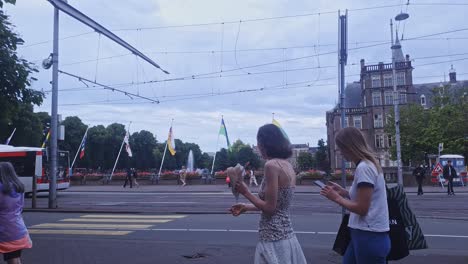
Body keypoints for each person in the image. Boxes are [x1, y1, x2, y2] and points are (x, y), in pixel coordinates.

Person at [230, 124, 307, 264]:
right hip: (288, 236)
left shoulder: (271, 166)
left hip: (272, 236)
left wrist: (246, 192)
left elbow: (270, 208)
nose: (258, 147)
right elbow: (276, 205)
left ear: (264, 144)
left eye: (258, 142)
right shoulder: (287, 165)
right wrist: (246, 207)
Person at [320, 127, 390, 264]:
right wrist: (344, 192)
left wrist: (336, 198)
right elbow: (366, 198)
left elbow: (362, 208)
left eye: (341, 148)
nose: (340, 152)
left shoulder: (364, 168)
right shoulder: (369, 165)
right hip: (364, 234)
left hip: (369, 235)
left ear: (349, 147)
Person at [0, 162, 32, 264]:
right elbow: (20, 207)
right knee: (15, 259)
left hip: (4, 231)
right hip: (17, 229)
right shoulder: (19, 187)